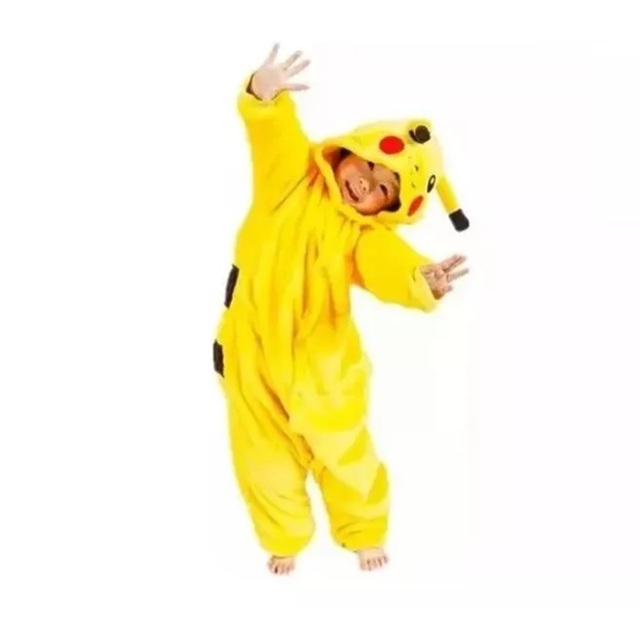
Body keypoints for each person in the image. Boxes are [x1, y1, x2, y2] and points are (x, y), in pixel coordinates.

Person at [213, 44, 470, 574]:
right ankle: (283, 536)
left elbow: (387, 264)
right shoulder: (291, 176)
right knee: (261, 457)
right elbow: (273, 134)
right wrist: (264, 96)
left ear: (390, 207)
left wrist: (419, 279)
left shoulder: (362, 234)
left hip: (323, 363)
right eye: (370, 165)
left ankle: (363, 531)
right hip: (250, 356)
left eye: (383, 188)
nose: (366, 182)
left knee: (343, 452)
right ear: (350, 148)